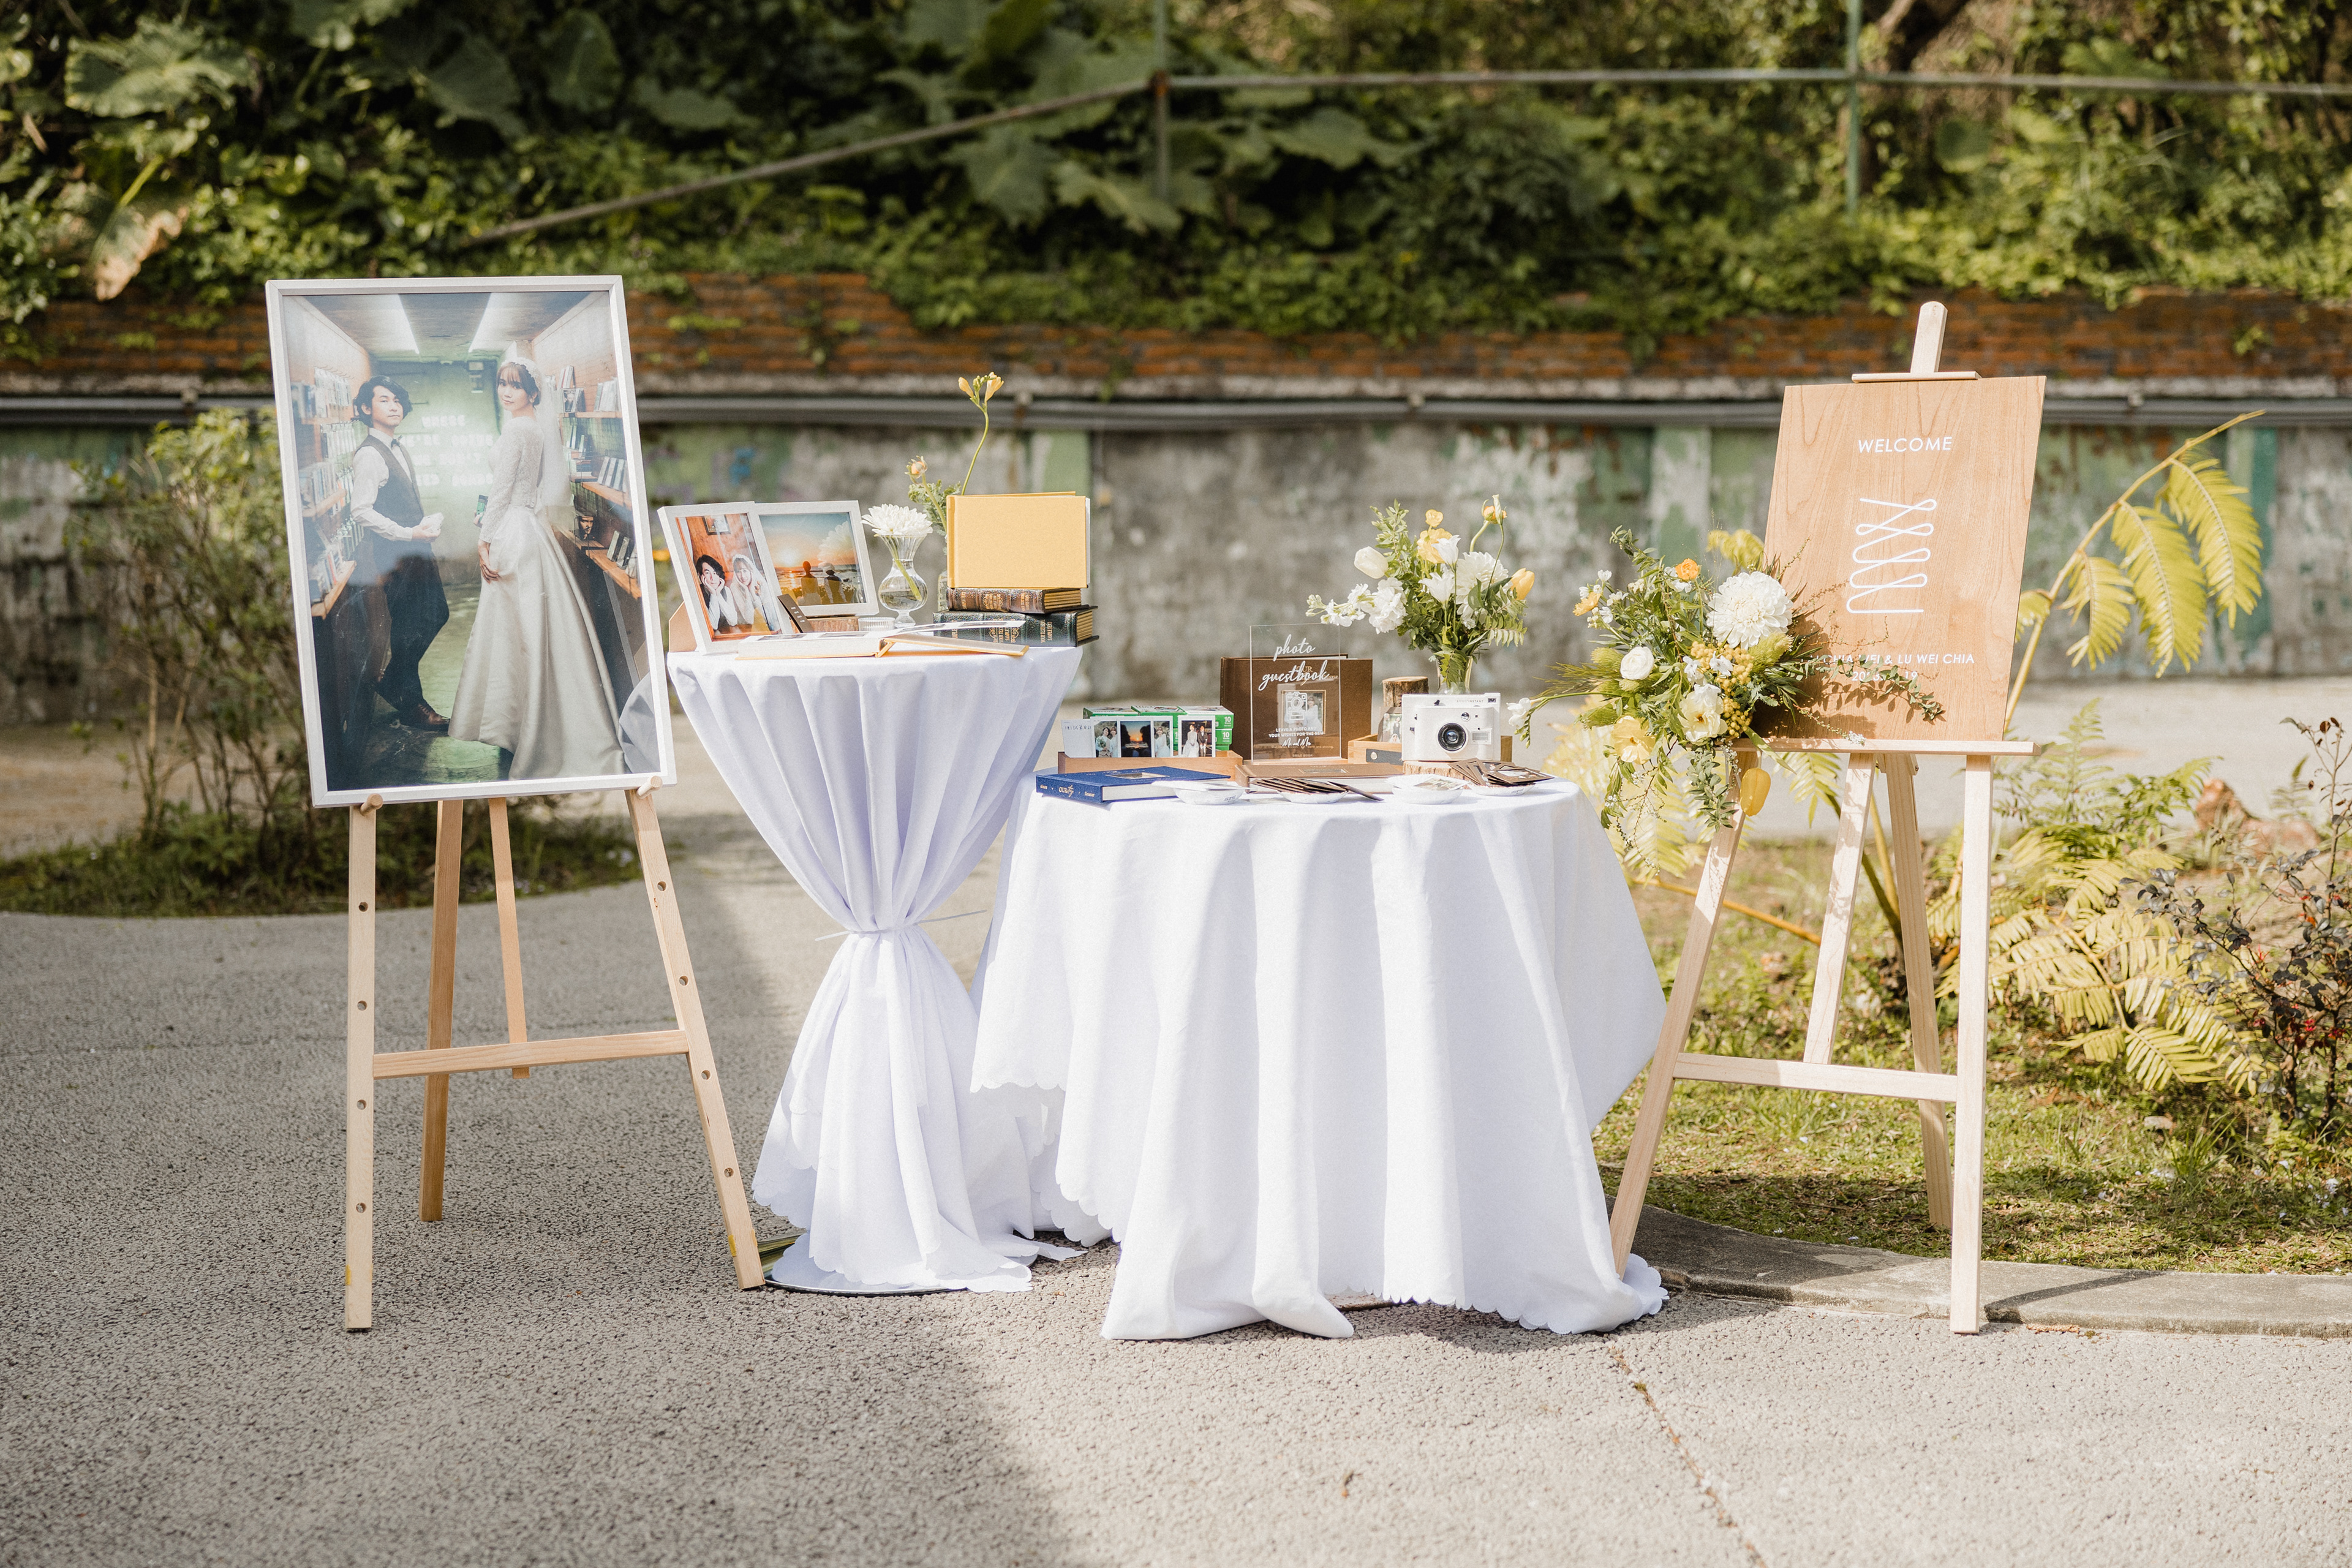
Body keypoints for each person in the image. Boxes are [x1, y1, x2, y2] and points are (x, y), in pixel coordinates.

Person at [446, 356, 622, 780]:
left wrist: (485, 539)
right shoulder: (534, 429)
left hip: (512, 534)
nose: (507, 392)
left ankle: (522, 728)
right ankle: (529, 725)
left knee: (515, 633)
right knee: (527, 630)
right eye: (502, 384)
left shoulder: (517, 431)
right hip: (526, 528)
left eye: (516, 386)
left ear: (533, 392)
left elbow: (501, 489)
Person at [347, 375, 448, 731]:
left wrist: (423, 524)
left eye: (397, 400)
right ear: (366, 408)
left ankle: (393, 682)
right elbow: (360, 511)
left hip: (416, 549)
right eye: (384, 400)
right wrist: (407, 532)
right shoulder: (369, 455)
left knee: (436, 614)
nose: (394, 406)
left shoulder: (397, 448)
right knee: (409, 624)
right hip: (396, 554)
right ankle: (412, 706)